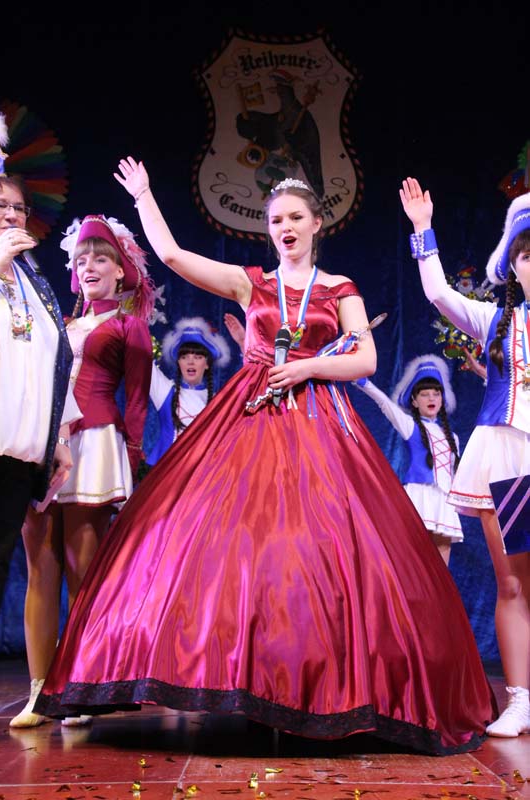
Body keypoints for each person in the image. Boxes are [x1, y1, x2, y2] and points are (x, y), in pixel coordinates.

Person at [33, 160, 496, 755]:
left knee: (315, 551)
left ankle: (315, 688)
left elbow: (366, 360)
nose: (286, 228)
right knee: (241, 549)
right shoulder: (251, 281)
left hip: (319, 419)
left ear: (317, 223)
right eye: (277, 220)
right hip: (249, 418)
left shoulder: (340, 288)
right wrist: (145, 195)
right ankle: (247, 683)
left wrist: (307, 367)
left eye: (296, 218)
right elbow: (172, 255)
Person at [9, 214, 154, 729]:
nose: (89, 266)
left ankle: (79, 687)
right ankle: (38, 692)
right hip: (45, 446)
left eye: (101, 258)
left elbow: (137, 402)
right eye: (82, 259)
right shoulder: (57, 324)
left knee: (82, 571)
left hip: (95, 446)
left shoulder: (129, 326)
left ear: (120, 270)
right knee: (40, 568)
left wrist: (131, 462)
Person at [399, 176, 530, 738]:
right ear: (514, 266)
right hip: (508, 455)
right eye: (527, 255)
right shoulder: (495, 320)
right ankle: (520, 700)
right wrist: (424, 231)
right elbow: (438, 294)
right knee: (513, 584)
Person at [0, 113, 74, 620]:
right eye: (0, 206)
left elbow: (53, 358)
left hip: (17, 458)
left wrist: (59, 436)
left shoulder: (35, 282)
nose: (11, 216)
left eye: (18, 208)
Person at [353, 354, 463, 564]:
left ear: (442, 399)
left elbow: (456, 474)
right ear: (414, 400)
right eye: (424, 394)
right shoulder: (410, 426)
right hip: (419, 497)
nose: (431, 399)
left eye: (436, 394)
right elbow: (386, 404)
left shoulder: (453, 438)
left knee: (442, 567)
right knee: (415, 562)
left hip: (443, 501)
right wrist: (364, 384)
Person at [147, 316, 231, 466]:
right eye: (184, 357)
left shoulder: (217, 401)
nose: (190, 362)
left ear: (207, 364)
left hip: (201, 472)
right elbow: (143, 361)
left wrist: (243, 342)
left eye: (197, 357)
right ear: (179, 362)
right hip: (166, 470)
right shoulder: (166, 391)